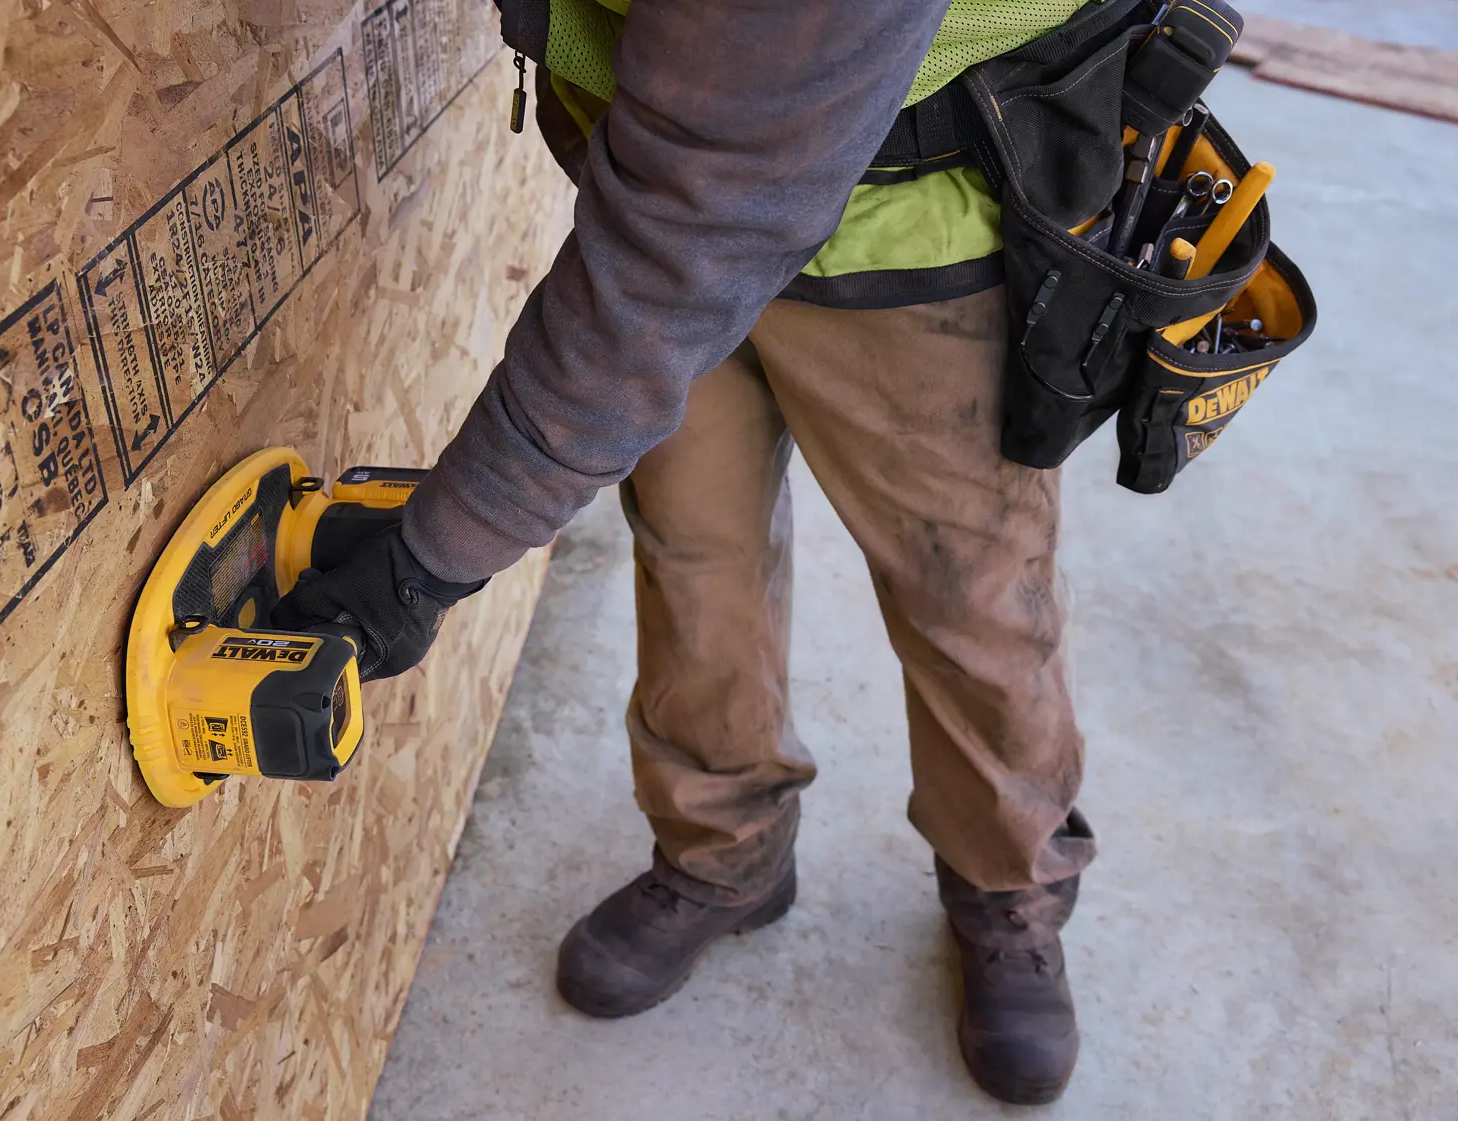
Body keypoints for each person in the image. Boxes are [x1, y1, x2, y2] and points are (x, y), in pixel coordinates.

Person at [274, 0, 1102, 1105]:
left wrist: (439, 551)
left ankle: (1009, 887)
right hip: (660, 182)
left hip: (919, 221)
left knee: (971, 598)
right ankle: (724, 852)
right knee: (692, 554)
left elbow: (698, 226)